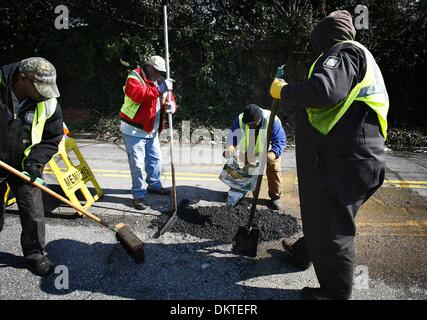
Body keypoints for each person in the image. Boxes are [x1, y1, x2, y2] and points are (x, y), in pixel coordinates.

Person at [270, 10, 389, 299]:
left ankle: (335, 295)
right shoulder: (357, 56)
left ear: (326, 35)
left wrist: (284, 91)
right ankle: (304, 251)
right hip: (353, 157)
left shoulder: (343, 52)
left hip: (349, 159)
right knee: (324, 213)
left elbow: (324, 91)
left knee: (335, 224)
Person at [0, 57, 63, 276]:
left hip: (24, 165)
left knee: (34, 211)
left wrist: (35, 165)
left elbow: (51, 137)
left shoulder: (49, 101)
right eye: (41, 88)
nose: (46, 93)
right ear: (22, 79)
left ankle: (36, 254)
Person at [119, 55, 176, 211]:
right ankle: (138, 195)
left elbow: (169, 98)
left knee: (155, 159)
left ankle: (154, 184)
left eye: (161, 71)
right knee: (137, 164)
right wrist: (161, 89)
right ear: (149, 67)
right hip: (133, 129)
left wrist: (172, 105)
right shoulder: (135, 77)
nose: (159, 74)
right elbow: (140, 96)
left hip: (151, 129)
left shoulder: (160, 81)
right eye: (156, 71)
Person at [224, 104, 286, 210]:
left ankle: (275, 196)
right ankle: (249, 194)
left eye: (253, 123)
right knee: (251, 171)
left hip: (269, 149)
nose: (250, 125)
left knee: (274, 170)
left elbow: (279, 141)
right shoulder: (241, 119)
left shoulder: (271, 120)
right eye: (248, 124)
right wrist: (229, 147)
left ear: (259, 119)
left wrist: (271, 155)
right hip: (251, 147)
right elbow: (232, 137)